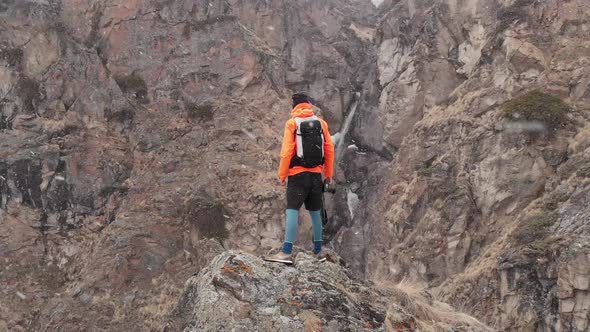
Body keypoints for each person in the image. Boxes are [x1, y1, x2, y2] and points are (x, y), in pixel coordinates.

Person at [265, 93, 335, 264]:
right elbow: (329, 149)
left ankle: (286, 252)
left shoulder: (292, 124)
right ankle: (318, 253)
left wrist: (282, 175)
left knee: (292, 211)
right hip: (316, 175)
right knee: (316, 212)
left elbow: (287, 151)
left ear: (294, 106)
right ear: (308, 105)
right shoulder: (321, 124)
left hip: (297, 175)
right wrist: (328, 175)